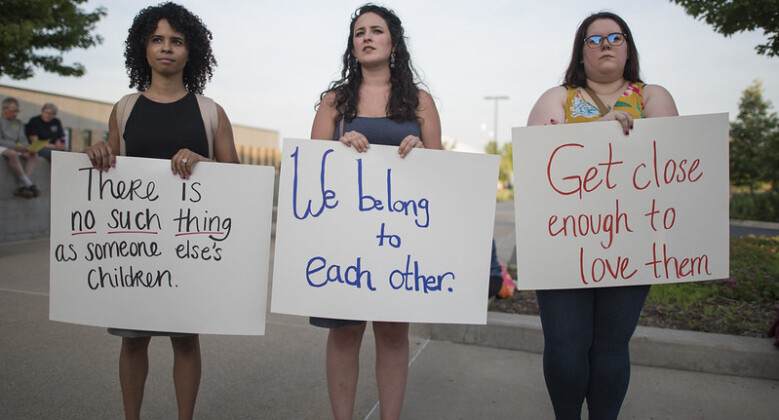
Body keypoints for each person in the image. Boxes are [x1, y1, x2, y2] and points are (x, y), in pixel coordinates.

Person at [85, 3, 239, 420]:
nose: (166, 48)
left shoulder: (211, 112)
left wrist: (203, 162)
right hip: (136, 247)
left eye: (176, 41)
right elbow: (111, 171)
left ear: (192, 52)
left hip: (188, 249)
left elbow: (237, 182)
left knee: (186, 340)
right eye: (157, 39)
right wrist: (99, 151)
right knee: (132, 340)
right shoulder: (124, 108)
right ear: (143, 48)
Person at [526, 12, 678, 420]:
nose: (605, 44)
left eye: (615, 36)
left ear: (628, 46)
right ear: (581, 52)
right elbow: (538, 164)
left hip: (631, 241)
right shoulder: (556, 97)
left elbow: (672, 161)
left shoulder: (651, 97)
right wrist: (598, 130)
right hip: (563, 239)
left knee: (612, 345)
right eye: (594, 40)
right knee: (565, 343)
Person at [310, 4, 442, 419]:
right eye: (358, 32)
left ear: (393, 41)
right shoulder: (334, 101)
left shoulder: (420, 101)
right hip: (344, 237)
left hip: (399, 241)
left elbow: (443, 173)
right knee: (345, 333)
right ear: (352, 46)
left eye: (376, 30)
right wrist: (337, 148)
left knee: (391, 333)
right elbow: (312, 169)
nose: (366, 37)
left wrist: (423, 153)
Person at [1, 97, 40, 198]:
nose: (15, 114)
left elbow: (22, 138)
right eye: (13, 111)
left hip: (15, 147)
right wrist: (15, 147)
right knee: (12, 154)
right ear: (4, 109)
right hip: (4, 147)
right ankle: (29, 184)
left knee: (33, 155)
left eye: (17, 111)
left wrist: (26, 147)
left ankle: (23, 186)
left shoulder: (18, 123)